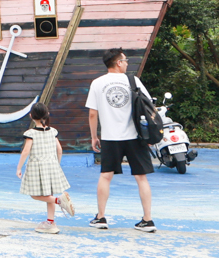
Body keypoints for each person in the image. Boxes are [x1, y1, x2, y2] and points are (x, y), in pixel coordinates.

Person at [87, 47, 157, 232]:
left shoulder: (97, 83)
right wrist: (149, 134)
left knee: (105, 176)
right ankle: (147, 220)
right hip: (135, 136)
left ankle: (101, 217)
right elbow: (150, 108)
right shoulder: (133, 81)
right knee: (141, 178)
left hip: (110, 137)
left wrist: (94, 136)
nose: (127, 63)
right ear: (118, 62)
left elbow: (93, 114)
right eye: (125, 60)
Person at [16, 102, 75, 234]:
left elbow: (26, 151)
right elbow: (59, 150)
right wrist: (56, 164)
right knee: (49, 194)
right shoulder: (52, 131)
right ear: (47, 115)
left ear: (31, 116)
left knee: (34, 195)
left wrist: (19, 168)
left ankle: (59, 201)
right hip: (52, 165)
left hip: (37, 167)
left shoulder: (31, 133)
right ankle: (51, 222)